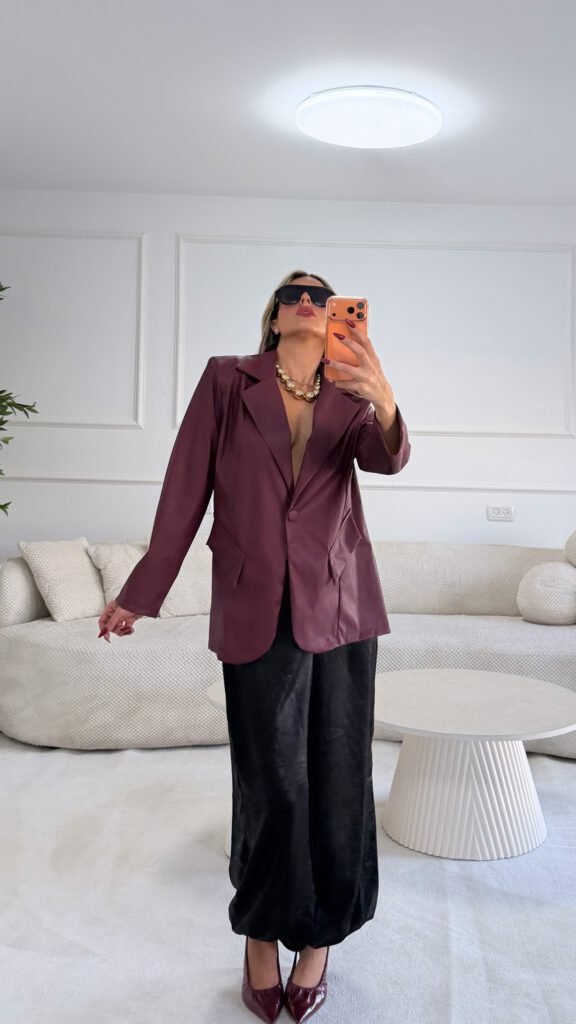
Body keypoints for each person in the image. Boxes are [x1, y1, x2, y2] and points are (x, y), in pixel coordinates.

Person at [98, 270, 411, 1023]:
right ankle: (262, 935)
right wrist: (141, 591)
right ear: (273, 317)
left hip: (340, 602)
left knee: (338, 777)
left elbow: (385, 459)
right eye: (294, 294)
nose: (308, 302)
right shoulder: (225, 380)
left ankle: (320, 940)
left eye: (322, 297)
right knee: (272, 781)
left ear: (337, 318)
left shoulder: (351, 386)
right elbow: (185, 487)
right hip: (252, 601)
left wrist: (382, 394)